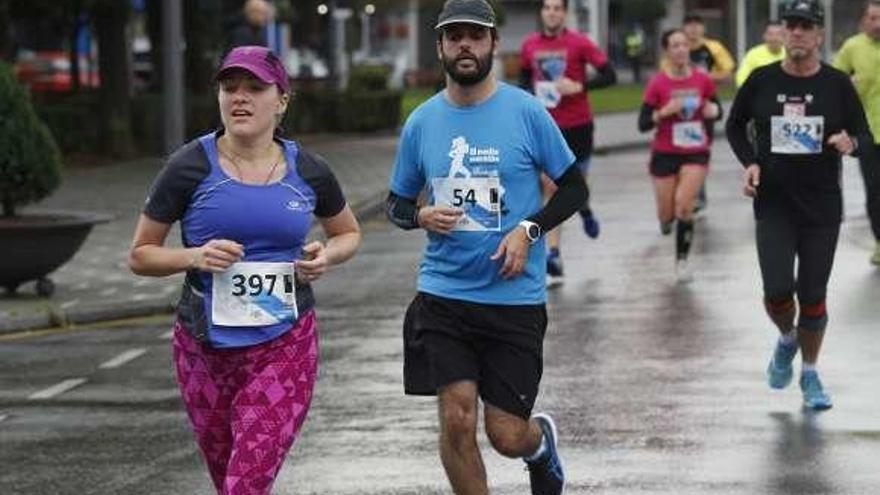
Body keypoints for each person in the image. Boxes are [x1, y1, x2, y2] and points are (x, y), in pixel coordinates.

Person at [128, 45, 361, 494]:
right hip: (203, 349)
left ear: (282, 100)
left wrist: (326, 255)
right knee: (229, 481)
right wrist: (193, 256)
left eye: (255, 88)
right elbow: (140, 254)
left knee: (245, 484)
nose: (240, 97)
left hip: (285, 344)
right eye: (229, 87)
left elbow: (348, 233)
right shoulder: (189, 166)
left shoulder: (309, 169)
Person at [386, 1, 587, 493]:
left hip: (512, 300)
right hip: (444, 296)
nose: (464, 45)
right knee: (456, 420)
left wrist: (529, 230)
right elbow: (394, 203)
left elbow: (574, 189)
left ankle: (539, 445)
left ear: (494, 43)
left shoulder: (526, 113)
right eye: (453, 37)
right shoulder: (422, 122)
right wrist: (420, 214)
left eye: (475, 36)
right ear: (440, 47)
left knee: (505, 433)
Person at [726, 0, 873, 411]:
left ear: (819, 35)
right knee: (776, 291)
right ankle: (787, 338)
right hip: (773, 204)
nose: (796, 33)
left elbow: (861, 131)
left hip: (821, 208)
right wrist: (750, 162)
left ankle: (809, 371)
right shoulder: (761, 80)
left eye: (805, 27)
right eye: (791, 26)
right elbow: (735, 125)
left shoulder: (836, 84)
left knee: (813, 295)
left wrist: (852, 143)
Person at [520, 0, 616, 286]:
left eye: (557, 8)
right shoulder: (529, 45)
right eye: (547, 8)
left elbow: (609, 75)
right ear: (541, 12)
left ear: (564, 13)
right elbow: (524, 77)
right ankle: (554, 256)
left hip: (577, 126)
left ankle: (584, 209)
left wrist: (579, 86)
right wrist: (528, 95)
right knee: (551, 186)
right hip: (546, 127)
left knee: (576, 185)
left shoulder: (580, 43)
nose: (552, 13)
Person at [638, 29, 721, 283]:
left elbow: (718, 110)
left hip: (696, 152)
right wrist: (663, 112)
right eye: (675, 46)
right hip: (664, 153)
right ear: (667, 51)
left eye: (684, 45)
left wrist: (713, 110)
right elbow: (642, 124)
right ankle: (666, 220)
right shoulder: (658, 83)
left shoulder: (702, 80)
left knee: (685, 205)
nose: (681, 50)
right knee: (667, 214)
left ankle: (682, 261)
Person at [834, 0, 880, 265]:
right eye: (872, 18)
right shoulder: (853, 47)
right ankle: (879, 241)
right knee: (875, 192)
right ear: (864, 20)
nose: (877, 24)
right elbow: (833, 83)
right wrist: (847, 85)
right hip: (867, 134)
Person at [682, 14, 735, 214]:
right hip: (681, 106)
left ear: (703, 29)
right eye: (690, 26)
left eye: (697, 26)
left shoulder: (713, 48)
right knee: (680, 150)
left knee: (699, 149)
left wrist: (705, 77)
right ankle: (685, 190)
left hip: (706, 105)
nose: (693, 30)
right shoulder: (678, 47)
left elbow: (729, 73)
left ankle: (698, 194)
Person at [735, 21, 786, 87]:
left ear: (785, 36)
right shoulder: (753, 54)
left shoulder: (790, 54)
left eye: (778, 34)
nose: (774, 38)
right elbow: (741, 79)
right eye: (770, 34)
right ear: (764, 36)